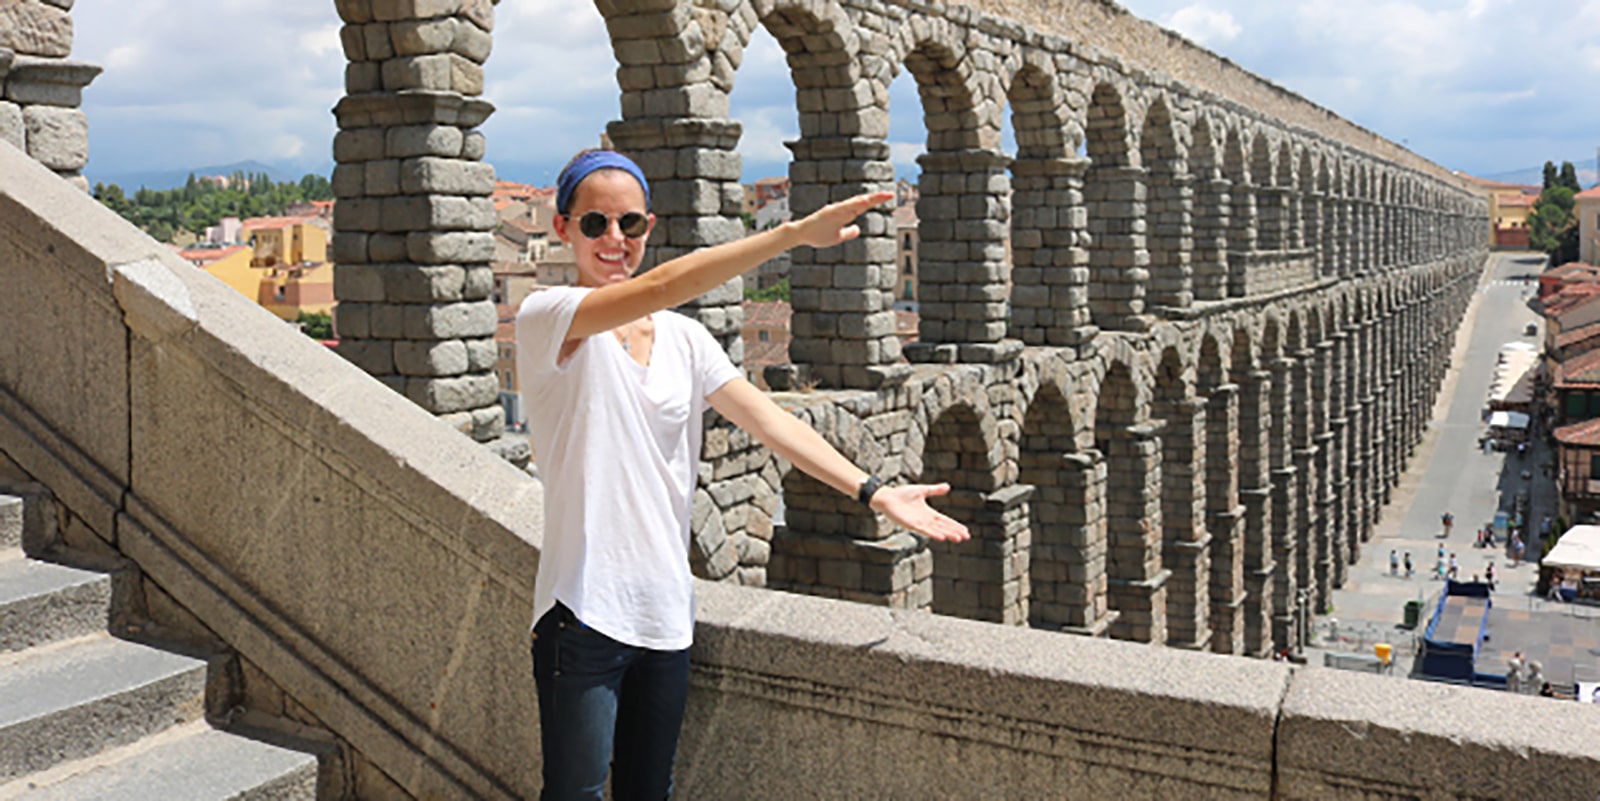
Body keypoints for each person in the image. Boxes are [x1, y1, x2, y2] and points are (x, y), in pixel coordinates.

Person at [517, 150, 972, 800]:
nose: (615, 240)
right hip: (582, 614)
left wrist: (874, 490)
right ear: (563, 228)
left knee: (651, 791)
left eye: (632, 224)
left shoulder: (685, 340)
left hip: (667, 614)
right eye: (595, 224)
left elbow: (769, 420)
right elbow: (658, 287)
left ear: (651, 226)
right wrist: (788, 235)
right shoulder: (548, 318)